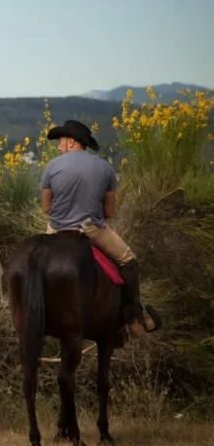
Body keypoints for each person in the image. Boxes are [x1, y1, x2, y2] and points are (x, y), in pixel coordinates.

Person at [41, 119, 158, 337]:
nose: (58, 146)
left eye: (61, 140)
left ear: (72, 142)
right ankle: (134, 319)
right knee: (128, 259)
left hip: (56, 230)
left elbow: (47, 208)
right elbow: (109, 212)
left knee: (38, 262)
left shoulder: (51, 166)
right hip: (90, 229)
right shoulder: (105, 168)